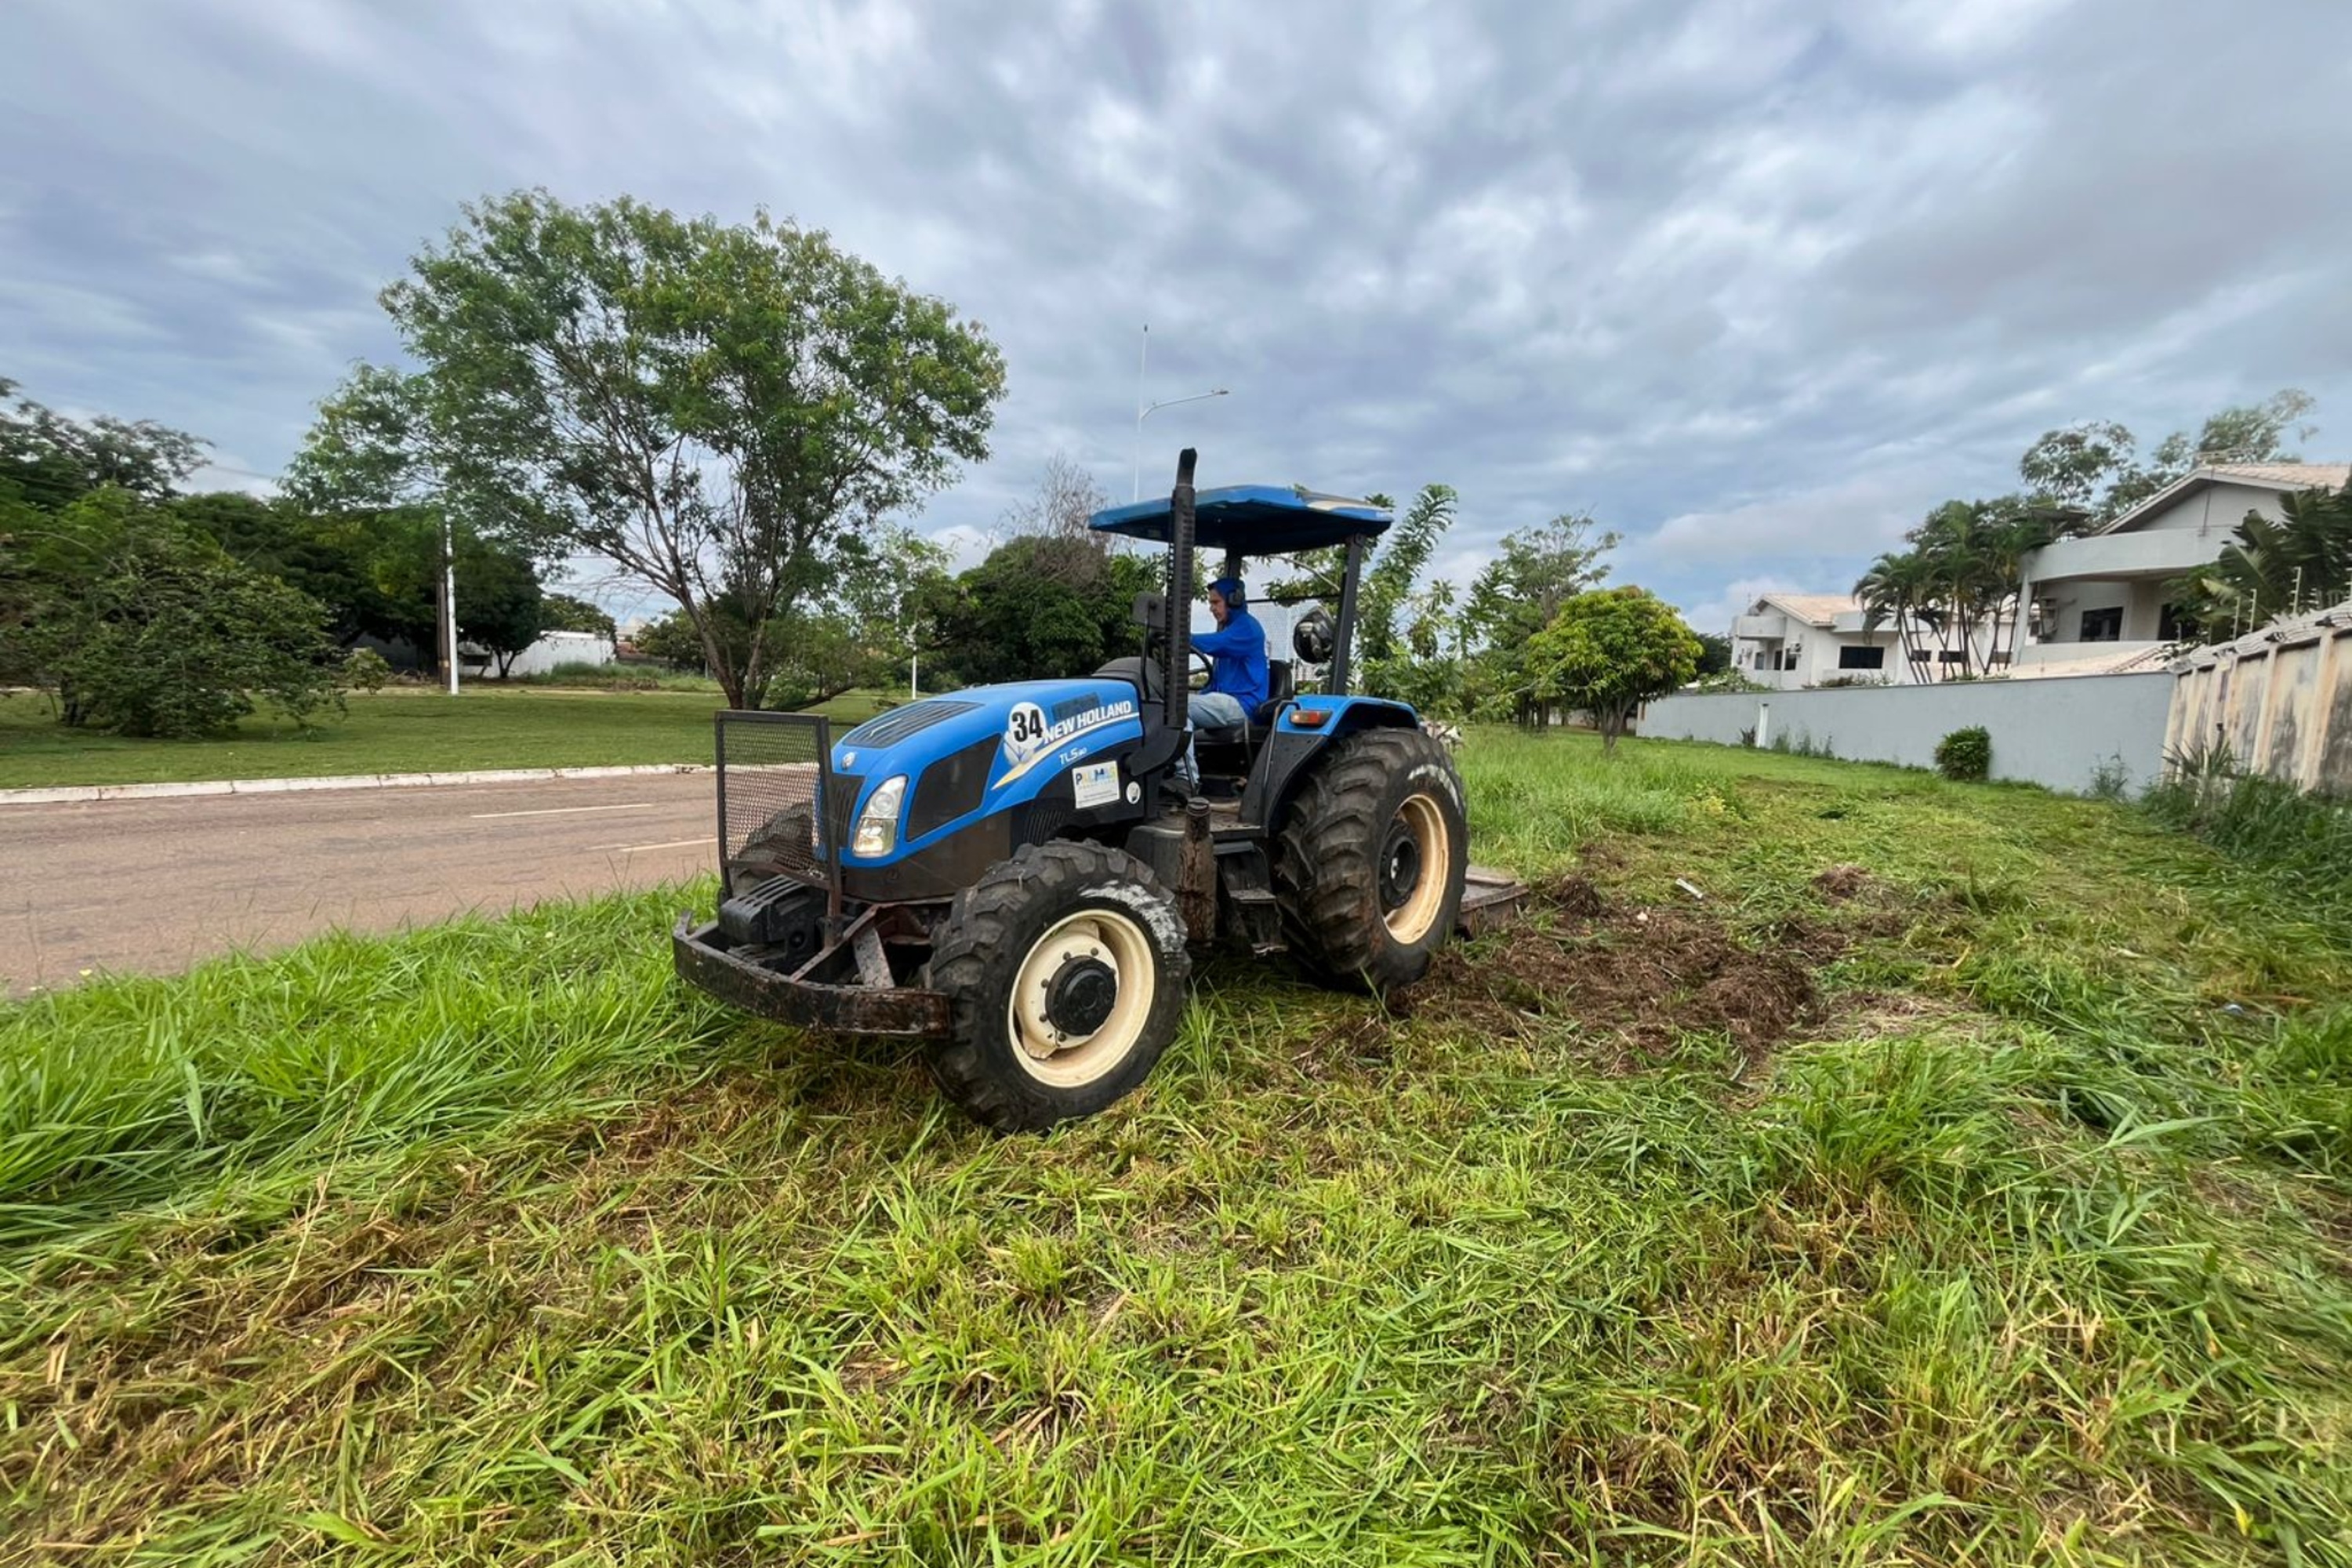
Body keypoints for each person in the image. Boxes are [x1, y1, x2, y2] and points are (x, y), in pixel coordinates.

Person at [1179, 575, 1267, 787]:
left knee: (1178, 708)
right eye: (1210, 603)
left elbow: (1215, 643)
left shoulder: (1248, 628)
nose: (1211, 608)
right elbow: (1215, 683)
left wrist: (1179, 637)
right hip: (1224, 702)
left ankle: (1185, 780)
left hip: (1243, 705)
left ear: (1234, 600)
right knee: (1167, 703)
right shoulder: (1229, 631)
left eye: (1216, 602)